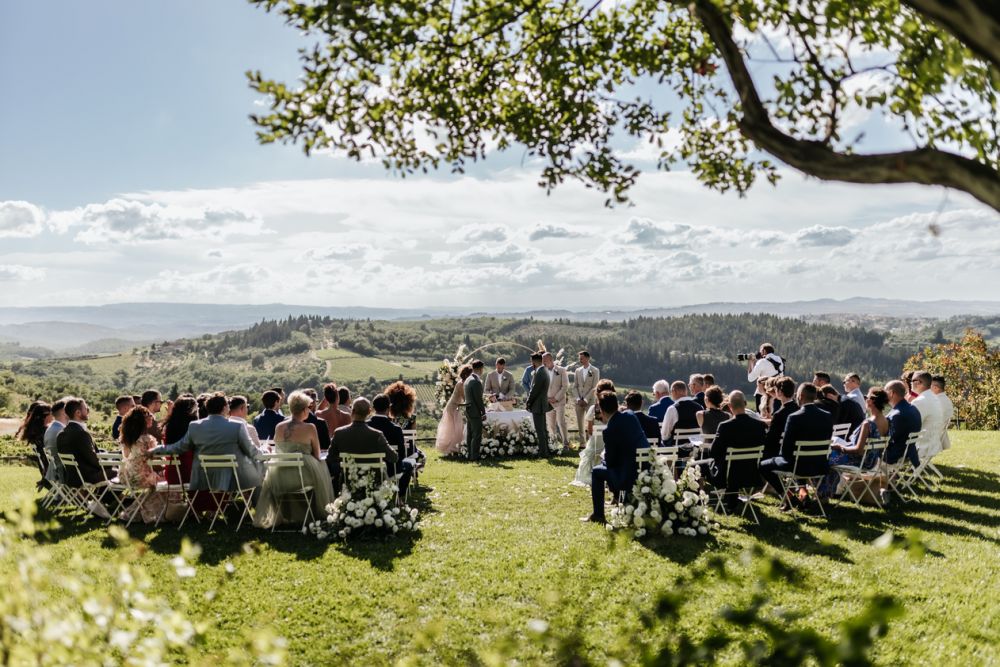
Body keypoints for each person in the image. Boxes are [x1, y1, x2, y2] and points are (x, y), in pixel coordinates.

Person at [148, 392, 262, 502]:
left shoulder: (195, 426)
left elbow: (178, 447)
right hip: (231, 476)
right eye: (228, 406)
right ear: (224, 408)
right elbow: (252, 451)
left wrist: (156, 450)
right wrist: (265, 453)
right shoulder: (238, 426)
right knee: (261, 471)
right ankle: (257, 508)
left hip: (202, 474)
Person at [255, 390, 334, 528]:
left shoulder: (279, 427)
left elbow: (278, 450)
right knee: (322, 467)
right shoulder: (310, 427)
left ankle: (286, 514)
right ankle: (320, 512)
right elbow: (316, 455)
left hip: (279, 476)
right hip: (303, 476)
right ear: (304, 410)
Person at [758, 383, 833, 510]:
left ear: (801, 396)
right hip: (820, 465)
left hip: (798, 466)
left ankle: (789, 497)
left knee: (763, 465)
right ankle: (803, 494)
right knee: (797, 458)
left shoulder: (794, 417)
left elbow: (785, 451)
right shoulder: (827, 415)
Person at [582, 392, 643, 524]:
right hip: (643, 468)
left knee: (597, 471)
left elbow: (610, 462)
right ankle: (621, 501)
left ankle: (598, 514)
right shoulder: (631, 416)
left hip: (627, 476)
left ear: (602, 411)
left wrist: (604, 459)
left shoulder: (609, 430)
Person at [820, 388, 891, 498]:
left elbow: (858, 450)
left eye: (866, 397)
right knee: (830, 456)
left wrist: (840, 447)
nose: (865, 399)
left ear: (871, 401)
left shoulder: (868, 423)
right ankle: (830, 491)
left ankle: (825, 494)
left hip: (860, 461)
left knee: (825, 459)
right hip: (872, 461)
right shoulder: (886, 421)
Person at [327, 397, 398, 494]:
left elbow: (330, 458)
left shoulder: (339, 433)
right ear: (369, 412)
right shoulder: (377, 435)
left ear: (352, 411)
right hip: (374, 483)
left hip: (348, 481)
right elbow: (394, 458)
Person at [707, 391, 765, 506]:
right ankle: (733, 498)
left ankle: (725, 499)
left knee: (706, 465)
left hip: (727, 475)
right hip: (752, 473)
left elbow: (713, 452)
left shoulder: (725, 426)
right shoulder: (759, 425)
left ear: (729, 406)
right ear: (745, 403)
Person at [56, 397, 110, 517]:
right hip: (86, 477)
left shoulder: (61, 434)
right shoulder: (81, 433)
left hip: (72, 476)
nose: (88, 411)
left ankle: (103, 504)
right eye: (86, 409)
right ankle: (103, 504)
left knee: (113, 471)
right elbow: (92, 458)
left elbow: (86, 455)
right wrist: (111, 463)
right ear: (78, 413)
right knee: (118, 472)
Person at [118, 406, 167, 524]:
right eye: (150, 416)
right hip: (142, 477)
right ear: (143, 420)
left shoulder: (127, 438)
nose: (152, 418)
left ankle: (136, 512)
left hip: (126, 476)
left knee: (156, 486)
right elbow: (156, 462)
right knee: (169, 481)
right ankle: (155, 514)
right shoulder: (147, 439)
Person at [370, 394, 416, 499]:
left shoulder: (366, 426)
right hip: (392, 469)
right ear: (388, 408)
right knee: (409, 464)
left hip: (370, 467)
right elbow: (402, 455)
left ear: (373, 408)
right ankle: (400, 497)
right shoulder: (395, 429)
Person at [571, 379, 617, 487]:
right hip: (610, 444)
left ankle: (588, 474)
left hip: (596, 444)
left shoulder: (594, 408)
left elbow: (590, 429)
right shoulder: (616, 409)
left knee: (590, 447)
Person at [884, 380, 921, 468]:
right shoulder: (913, 408)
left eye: (885, 391)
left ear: (891, 393)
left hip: (896, 455)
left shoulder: (897, 414)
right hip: (910, 453)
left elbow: (890, 438)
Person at [436, 365, 471, 454]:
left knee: (456, 427)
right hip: (453, 407)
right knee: (456, 428)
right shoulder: (461, 384)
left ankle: (455, 447)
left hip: (455, 406)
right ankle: (454, 448)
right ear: (467, 374)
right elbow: (465, 398)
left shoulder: (461, 382)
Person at [18, 401, 52, 486]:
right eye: (52, 413)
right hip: (51, 471)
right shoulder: (46, 432)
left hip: (45, 470)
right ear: (45, 416)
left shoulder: (35, 432)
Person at [659, 380, 700, 453]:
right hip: (695, 448)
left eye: (671, 392)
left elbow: (665, 434)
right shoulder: (699, 408)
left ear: (674, 391)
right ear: (686, 391)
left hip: (677, 450)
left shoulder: (673, 409)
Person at [763, 377, 797, 458]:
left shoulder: (779, 414)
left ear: (780, 392)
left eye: (775, 389)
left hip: (779, 454)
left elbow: (770, 440)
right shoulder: (798, 409)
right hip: (794, 453)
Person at [526, 352, 553, 455]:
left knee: (540, 429)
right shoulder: (543, 370)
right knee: (543, 429)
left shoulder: (540, 372)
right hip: (542, 403)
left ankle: (543, 452)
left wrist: (528, 402)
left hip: (538, 404)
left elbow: (534, 390)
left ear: (533, 362)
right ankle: (546, 450)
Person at [572, 350, 600, 447]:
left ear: (588, 358)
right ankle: (582, 443)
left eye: (582, 358)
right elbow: (574, 386)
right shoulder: (577, 370)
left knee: (590, 422)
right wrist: (578, 399)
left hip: (590, 400)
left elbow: (595, 387)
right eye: (579, 358)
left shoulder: (595, 370)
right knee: (580, 422)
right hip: (579, 401)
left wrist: (586, 399)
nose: (580, 360)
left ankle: (591, 442)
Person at [543, 352, 570, 449]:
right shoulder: (542, 371)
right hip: (547, 402)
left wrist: (556, 398)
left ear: (550, 360)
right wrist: (547, 399)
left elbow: (565, 386)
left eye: (545, 361)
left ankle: (566, 444)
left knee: (561, 422)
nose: (543, 363)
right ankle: (553, 444)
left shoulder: (561, 370)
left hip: (559, 402)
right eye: (543, 361)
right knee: (550, 425)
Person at [746, 343, 784, 411]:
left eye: (760, 351)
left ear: (764, 351)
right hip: (777, 393)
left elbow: (750, 378)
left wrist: (750, 362)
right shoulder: (779, 359)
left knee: (761, 416)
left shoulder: (762, 362)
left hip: (763, 394)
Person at [43, 398, 70, 486]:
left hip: (55, 468)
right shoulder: (61, 431)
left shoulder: (51, 428)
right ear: (64, 412)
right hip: (64, 471)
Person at [464, 360, 486, 460]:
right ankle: (475, 456)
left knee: (470, 434)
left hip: (468, 409)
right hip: (475, 410)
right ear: (481, 369)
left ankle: (470, 454)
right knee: (477, 434)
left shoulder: (468, 379)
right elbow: (478, 399)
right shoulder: (476, 381)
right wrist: (483, 411)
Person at [931, 376, 953, 450]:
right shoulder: (946, 400)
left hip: (931, 435)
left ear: (935, 388)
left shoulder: (936, 401)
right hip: (937, 433)